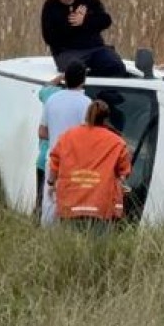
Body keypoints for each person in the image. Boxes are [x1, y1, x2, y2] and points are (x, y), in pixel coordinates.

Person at [47, 99, 132, 235]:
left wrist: (51, 184)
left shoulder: (67, 136)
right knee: (98, 245)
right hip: (100, 204)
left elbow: (54, 163)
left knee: (68, 244)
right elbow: (124, 171)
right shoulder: (117, 142)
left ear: (87, 115)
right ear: (106, 118)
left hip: (70, 203)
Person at [40, 0, 126, 77]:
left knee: (116, 66)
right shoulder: (50, 7)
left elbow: (106, 20)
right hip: (67, 52)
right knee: (76, 72)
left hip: (96, 48)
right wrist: (72, 24)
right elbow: (49, 38)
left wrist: (85, 21)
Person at [38, 61, 92, 225]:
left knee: (50, 203)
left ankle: (47, 234)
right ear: (83, 80)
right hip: (76, 162)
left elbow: (42, 132)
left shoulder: (52, 100)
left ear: (65, 79)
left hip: (53, 160)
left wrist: (57, 134)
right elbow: (89, 136)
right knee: (73, 205)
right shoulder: (87, 103)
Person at [34, 74, 63, 217]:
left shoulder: (51, 94)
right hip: (61, 163)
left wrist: (60, 77)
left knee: (41, 201)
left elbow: (44, 89)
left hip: (44, 159)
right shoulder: (84, 99)